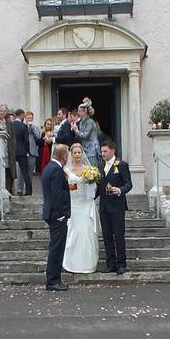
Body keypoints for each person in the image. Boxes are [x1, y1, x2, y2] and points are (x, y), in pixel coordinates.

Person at [96, 139, 132, 275]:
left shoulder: (122, 165)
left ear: (112, 151)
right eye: (102, 151)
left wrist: (121, 190)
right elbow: (99, 187)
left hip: (117, 206)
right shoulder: (100, 166)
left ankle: (121, 263)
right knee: (106, 235)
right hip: (104, 207)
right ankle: (110, 263)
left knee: (118, 235)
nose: (103, 154)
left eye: (105, 151)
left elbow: (129, 184)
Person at [62, 143, 98, 274]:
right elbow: (63, 187)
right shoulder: (66, 170)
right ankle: (71, 263)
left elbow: (94, 188)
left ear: (82, 153)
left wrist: (91, 185)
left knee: (86, 233)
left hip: (85, 204)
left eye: (79, 152)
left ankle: (87, 264)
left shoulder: (89, 169)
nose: (77, 155)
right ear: (71, 154)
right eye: (75, 153)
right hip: (73, 204)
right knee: (73, 233)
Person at [41, 143, 71, 291]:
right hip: (56, 215)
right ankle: (53, 280)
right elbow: (57, 194)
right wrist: (61, 215)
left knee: (56, 247)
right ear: (64, 157)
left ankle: (55, 279)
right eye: (67, 155)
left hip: (51, 213)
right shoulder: (57, 171)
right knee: (57, 248)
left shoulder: (48, 168)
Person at [12, 109, 32, 196]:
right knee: (25, 172)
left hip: (12, 151)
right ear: (22, 115)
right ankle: (28, 191)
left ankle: (10, 190)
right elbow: (26, 141)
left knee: (11, 171)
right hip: (22, 151)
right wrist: (27, 151)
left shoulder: (10, 125)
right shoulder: (23, 126)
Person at [75, 99, 100, 166]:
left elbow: (85, 136)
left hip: (92, 151)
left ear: (85, 111)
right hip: (84, 151)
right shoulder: (80, 122)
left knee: (92, 170)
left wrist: (76, 130)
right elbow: (79, 137)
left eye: (79, 111)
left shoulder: (90, 122)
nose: (78, 113)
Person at [26, 111, 42, 176]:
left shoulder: (35, 128)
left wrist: (32, 128)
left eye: (31, 118)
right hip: (24, 152)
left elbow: (38, 137)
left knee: (30, 172)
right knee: (22, 172)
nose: (29, 119)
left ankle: (29, 186)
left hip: (33, 152)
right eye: (28, 118)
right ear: (25, 118)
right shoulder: (22, 127)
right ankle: (21, 186)